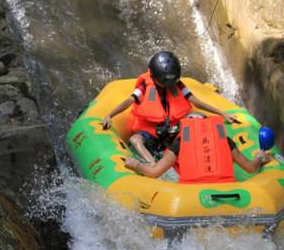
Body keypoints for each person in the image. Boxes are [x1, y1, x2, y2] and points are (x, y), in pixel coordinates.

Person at [102, 51, 236, 165]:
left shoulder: (178, 85)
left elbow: (197, 102)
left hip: (172, 132)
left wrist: (222, 113)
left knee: (200, 120)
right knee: (135, 140)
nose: (168, 86)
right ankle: (153, 165)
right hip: (150, 133)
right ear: (154, 77)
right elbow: (129, 101)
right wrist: (110, 115)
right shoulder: (145, 86)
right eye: (164, 83)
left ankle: (203, 159)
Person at [124, 114, 270, 182]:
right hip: (227, 192)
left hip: (193, 197)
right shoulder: (224, 140)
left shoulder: (180, 143)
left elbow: (154, 172)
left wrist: (136, 164)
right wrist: (259, 157)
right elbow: (250, 168)